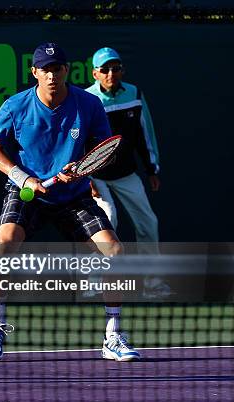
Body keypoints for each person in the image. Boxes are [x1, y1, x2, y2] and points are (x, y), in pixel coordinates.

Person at [0, 43, 140, 363]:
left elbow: (103, 149)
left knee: (115, 251)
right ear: (34, 73)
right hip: (28, 190)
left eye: (57, 68)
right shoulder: (15, 106)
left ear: (66, 70)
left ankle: (113, 336)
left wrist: (82, 168)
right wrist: (22, 177)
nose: (52, 75)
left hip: (74, 194)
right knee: (4, 244)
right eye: (45, 70)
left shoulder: (89, 104)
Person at [85, 47, 161, 250]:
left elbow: (145, 134)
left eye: (116, 68)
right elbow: (78, 142)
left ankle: (152, 281)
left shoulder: (134, 94)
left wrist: (151, 169)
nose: (111, 74)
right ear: (95, 73)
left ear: (122, 70)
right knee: (107, 221)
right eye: (105, 69)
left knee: (149, 223)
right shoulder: (86, 99)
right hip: (96, 176)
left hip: (126, 173)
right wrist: (85, 179)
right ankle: (95, 281)